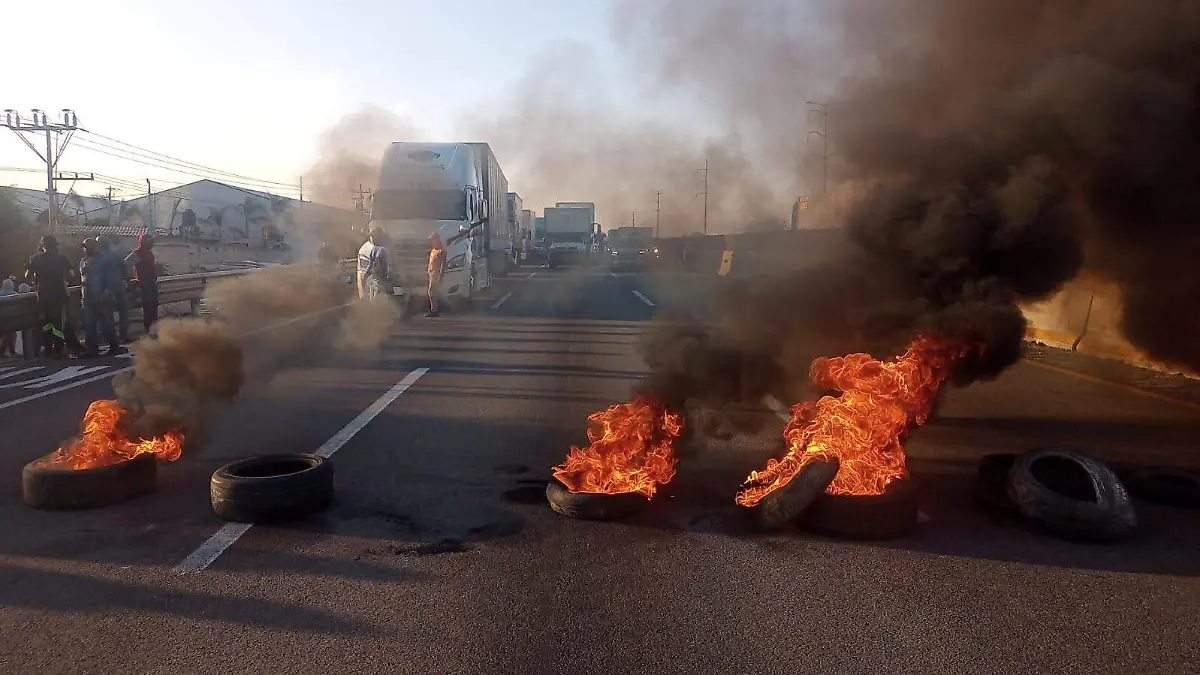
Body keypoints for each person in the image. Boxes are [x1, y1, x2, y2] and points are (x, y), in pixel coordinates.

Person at [24, 235, 75, 359]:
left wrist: (37, 280)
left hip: (43, 295)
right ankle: (58, 350)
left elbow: (27, 276)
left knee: (46, 323)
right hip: (59, 296)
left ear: (42, 245)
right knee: (58, 323)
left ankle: (48, 349)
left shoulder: (35, 259)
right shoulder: (61, 258)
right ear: (55, 245)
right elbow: (71, 275)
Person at [80, 237, 123, 357]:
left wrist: (107, 292)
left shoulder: (106, 261)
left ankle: (114, 345)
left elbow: (112, 278)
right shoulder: (83, 261)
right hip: (88, 298)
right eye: (85, 247)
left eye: (88, 247)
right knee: (90, 325)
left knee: (107, 324)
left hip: (103, 297)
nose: (86, 250)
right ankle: (92, 349)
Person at [124, 233, 159, 334]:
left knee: (153, 307)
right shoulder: (138, 253)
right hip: (144, 284)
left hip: (151, 283)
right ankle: (148, 330)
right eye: (149, 241)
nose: (151, 243)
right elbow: (125, 264)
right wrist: (128, 281)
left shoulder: (149, 253)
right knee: (148, 308)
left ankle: (154, 330)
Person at [356, 228, 391, 301]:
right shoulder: (379, 249)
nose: (372, 239)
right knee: (377, 294)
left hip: (376, 277)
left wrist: (365, 275)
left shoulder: (379, 249)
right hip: (378, 277)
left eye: (373, 237)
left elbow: (373, 263)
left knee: (375, 295)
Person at [426, 232, 446, 318]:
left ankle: (434, 310)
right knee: (433, 292)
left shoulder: (441, 251)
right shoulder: (433, 250)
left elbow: (442, 265)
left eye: (432, 240)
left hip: (436, 274)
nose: (431, 242)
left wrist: (440, 276)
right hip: (431, 273)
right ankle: (434, 309)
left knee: (431, 292)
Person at [0, 278, 16, 358]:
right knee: (11, 331)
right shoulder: (15, 295)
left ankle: (3, 350)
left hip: (1, 320)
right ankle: (11, 350)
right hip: (12, 321)